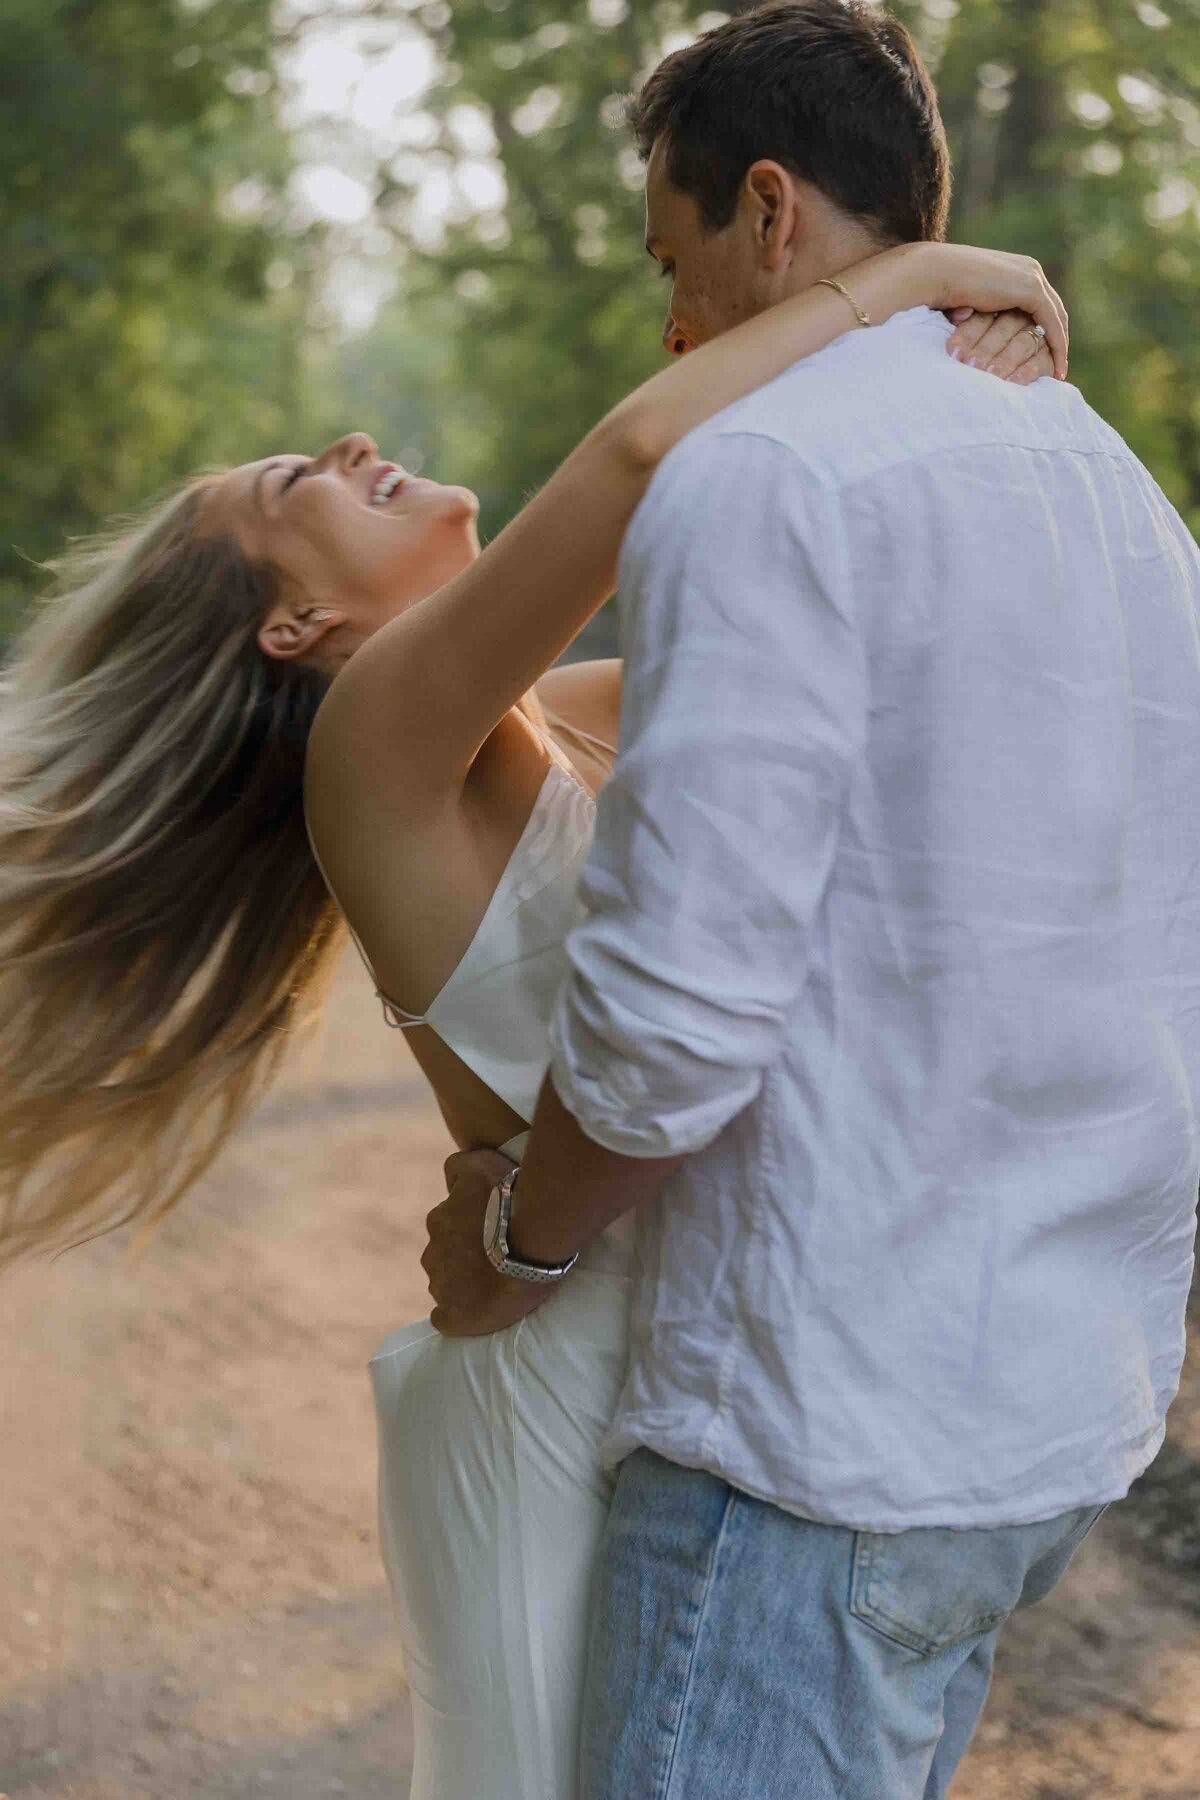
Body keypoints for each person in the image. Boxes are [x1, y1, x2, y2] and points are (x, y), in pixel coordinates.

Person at [421, 4, 1200, 1798]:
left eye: (673, 264)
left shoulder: (761, 474)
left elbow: (674, 1028)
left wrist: (520, 1243)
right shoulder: (1126, 499)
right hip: (1051, 1411)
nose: (678, 326)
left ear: (770, 212)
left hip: (814, 1443)